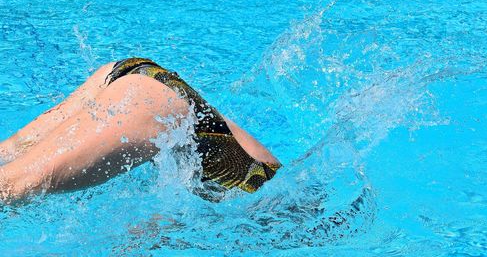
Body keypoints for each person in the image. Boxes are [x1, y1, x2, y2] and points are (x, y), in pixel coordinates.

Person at [0, 58, 281, 203]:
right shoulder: (286, 214)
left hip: (140, 88)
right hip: (153, 106)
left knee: (9, 160)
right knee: (14, 184)